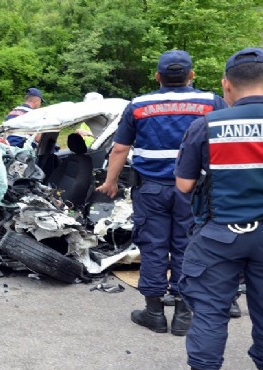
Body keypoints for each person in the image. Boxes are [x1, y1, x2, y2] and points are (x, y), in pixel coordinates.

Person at [96, 50, 227, 336]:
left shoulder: (139, 105)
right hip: (194, 191)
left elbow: (120, 148)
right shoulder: (211, 103)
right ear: (191, 75)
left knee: (154, 248)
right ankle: (183, 315)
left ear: (157, 76)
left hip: (151, 190)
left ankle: (154, 313)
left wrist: (111, 182)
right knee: (188, 248)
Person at [175, 47, 263, 369]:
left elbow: (184, 186)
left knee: (210, 313)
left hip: (218, 237)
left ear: (226, 85)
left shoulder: (206, 125)